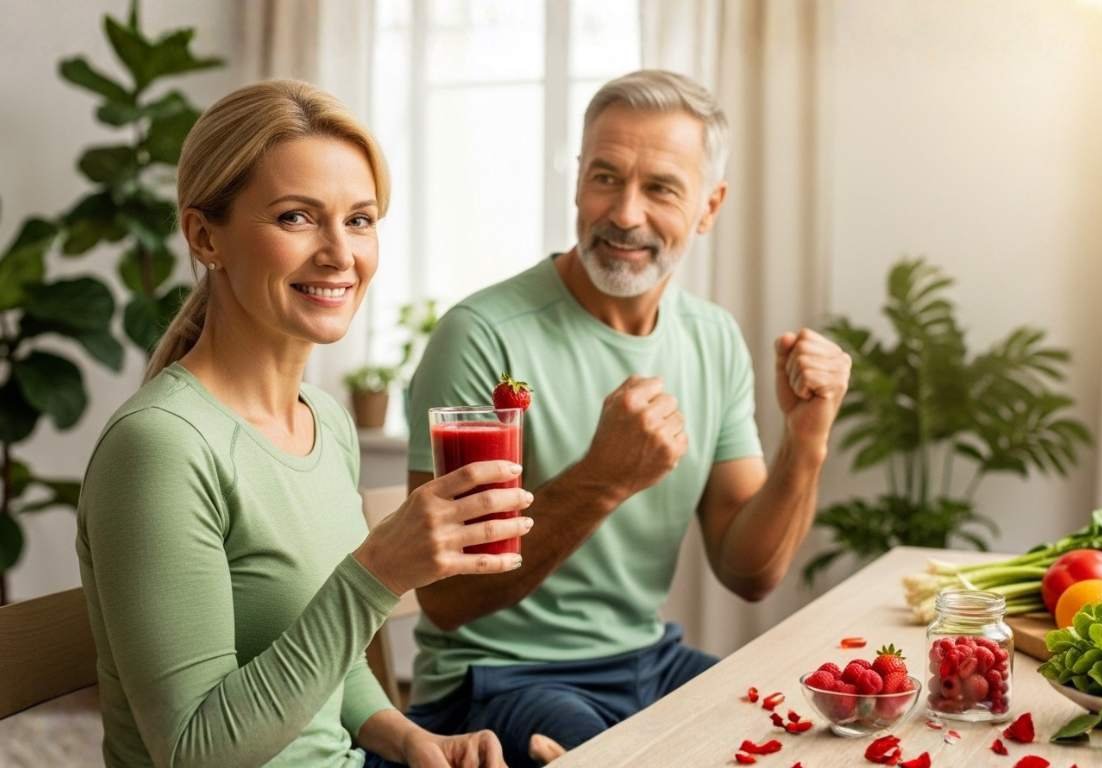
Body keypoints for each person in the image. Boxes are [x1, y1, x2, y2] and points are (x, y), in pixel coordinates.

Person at [75, 80, 534, 768]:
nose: (340, 254)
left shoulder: (325, 421)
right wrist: (377, 572)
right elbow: (194, 750)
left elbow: (325, 663)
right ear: (206, 236)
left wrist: (416, 741)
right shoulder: (162, 446)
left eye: (360, 219)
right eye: (296, 218)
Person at [402, 70, 853, 767]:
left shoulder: (712, 337)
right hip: (496, 677)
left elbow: (749, 572)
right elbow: (446, 599)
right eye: (605, 178)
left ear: (709, 206)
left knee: (797, 745)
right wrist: (603, 479)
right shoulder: (484, 335)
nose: (625, 213)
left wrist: (808, 439)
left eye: (661, 188)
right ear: (578, 181)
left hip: (648, 660)